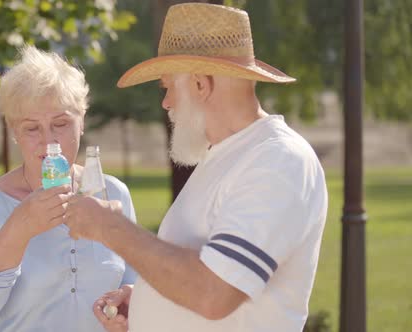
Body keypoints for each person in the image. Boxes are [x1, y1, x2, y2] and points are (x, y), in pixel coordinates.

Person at [64, 3, 328, 332]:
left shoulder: (279, 160)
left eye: (167, 88)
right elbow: (204, 276)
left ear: (201, 85)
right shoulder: (225, 156)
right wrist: (148, 299)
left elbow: (214, 293)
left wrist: (109, 227)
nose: (165, 103)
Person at [0, 46, 137, 332]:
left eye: (60, 123)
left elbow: (136, 286)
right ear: (14, 132)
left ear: (81, 122)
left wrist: (129, 304)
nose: (49, 141)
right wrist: (18, 229)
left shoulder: (113, 193)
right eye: (32, 128)